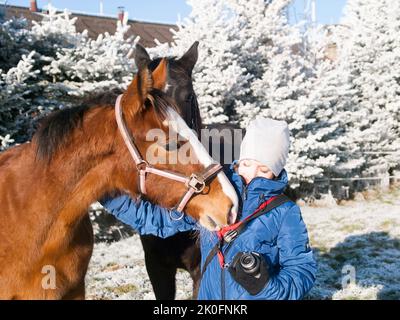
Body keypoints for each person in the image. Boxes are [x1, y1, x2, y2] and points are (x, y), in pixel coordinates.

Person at [100, 118, 317, 300]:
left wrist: (267, 288)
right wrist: (104, 193)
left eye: (264, 169)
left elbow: (302, 270)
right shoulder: (214, 196)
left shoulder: (284, 212)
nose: (252, 174)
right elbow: (157, 221)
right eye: (247, 164)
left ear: (276, 172)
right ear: (239, 160)